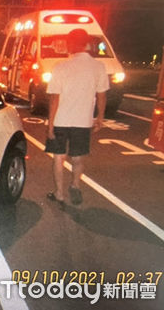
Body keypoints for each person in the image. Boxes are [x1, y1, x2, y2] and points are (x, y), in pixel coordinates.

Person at [45, 28, 109, 207]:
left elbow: (54, 98)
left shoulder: (60, 67)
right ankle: (75, 184)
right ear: (87, 43)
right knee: (78, 157)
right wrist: (100, 117)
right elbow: (102, 95)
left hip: (60, 120)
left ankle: (59, 193)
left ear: (69, 44)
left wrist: (50, 125)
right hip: (83, 120)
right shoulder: (98, 67)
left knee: (59, 157)